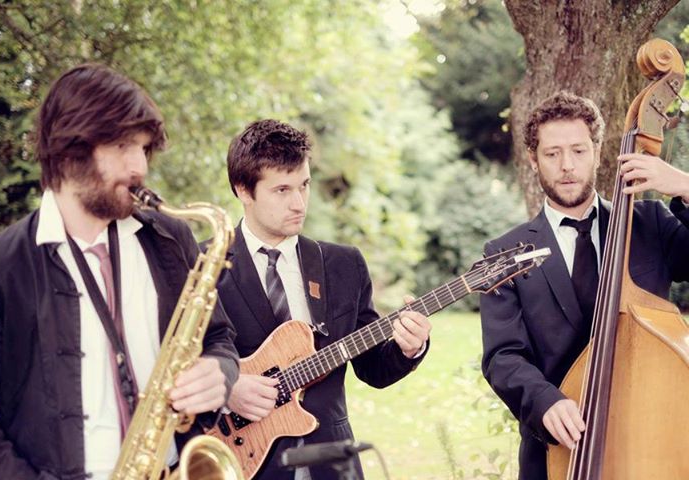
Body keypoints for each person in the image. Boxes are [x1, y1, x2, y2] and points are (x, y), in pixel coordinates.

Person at [0, 63, 239, 480]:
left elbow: (219, 339)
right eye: (123, 146)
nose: (140, 167)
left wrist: (219, 371)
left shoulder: (169, 239)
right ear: (69, 150)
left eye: (144, 148)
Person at [479, 91, 689, 479]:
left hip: (649, 445)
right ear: (533, 159)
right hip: (557, 454)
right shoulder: (504, 253)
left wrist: (685, 187)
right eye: (552, 153)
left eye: (578, 151)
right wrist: (544, 401)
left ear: (596, 151)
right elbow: (502, 356)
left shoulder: (650, 224)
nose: (567, 165)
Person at [215, 119, 432, 480]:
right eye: (282, 190)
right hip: (239, 460)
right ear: (243, 191)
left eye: (304, 185)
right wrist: (227, 386)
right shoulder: (203, 266)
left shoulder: (343, 264)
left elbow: (373, 368)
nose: (299, 203)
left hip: (330, 461)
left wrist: (408, 348)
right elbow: (174, 361)